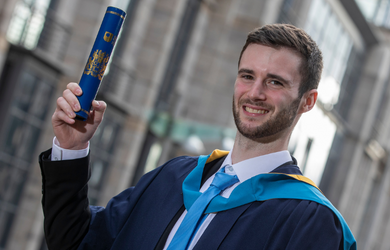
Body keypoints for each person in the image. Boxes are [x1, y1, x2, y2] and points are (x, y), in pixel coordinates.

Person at [39, 24, 356, 250]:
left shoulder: (310, 221)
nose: (255, 93)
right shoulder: (172, 179)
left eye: (275, 82)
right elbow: (75, 241)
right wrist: (72, 148)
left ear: (307, 101)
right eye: (247, 76)